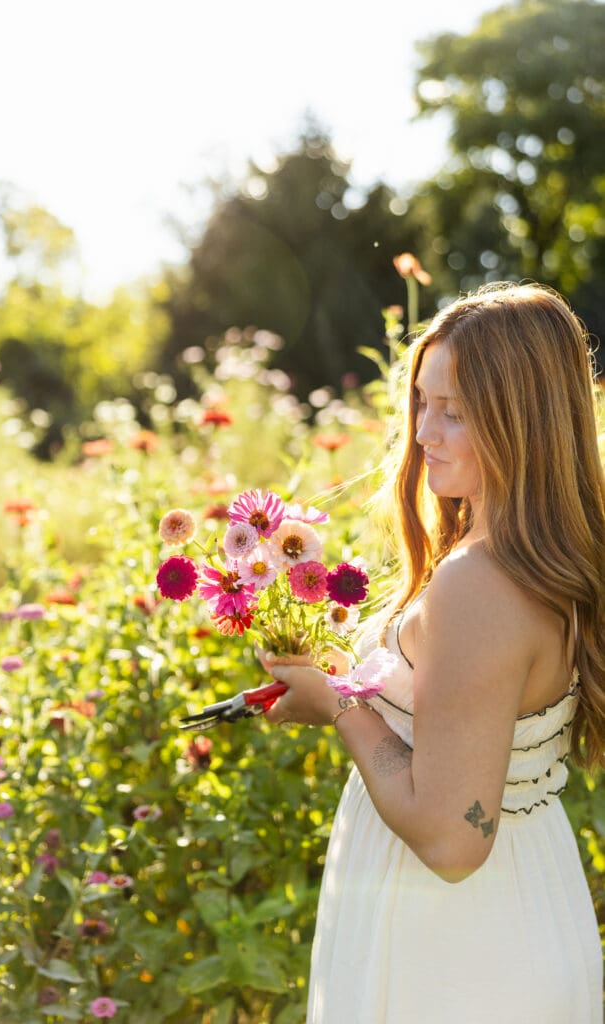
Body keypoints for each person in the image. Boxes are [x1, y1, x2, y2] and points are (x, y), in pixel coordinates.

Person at [259, 283, 605, 1023]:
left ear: (523, 422)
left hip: (459, 948)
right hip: (522, 899)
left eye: (453, 410)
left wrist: (341, 704)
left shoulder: (479, 582)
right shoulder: (538, 557)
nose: (422, 431)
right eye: (421, 401)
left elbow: (453, 842)